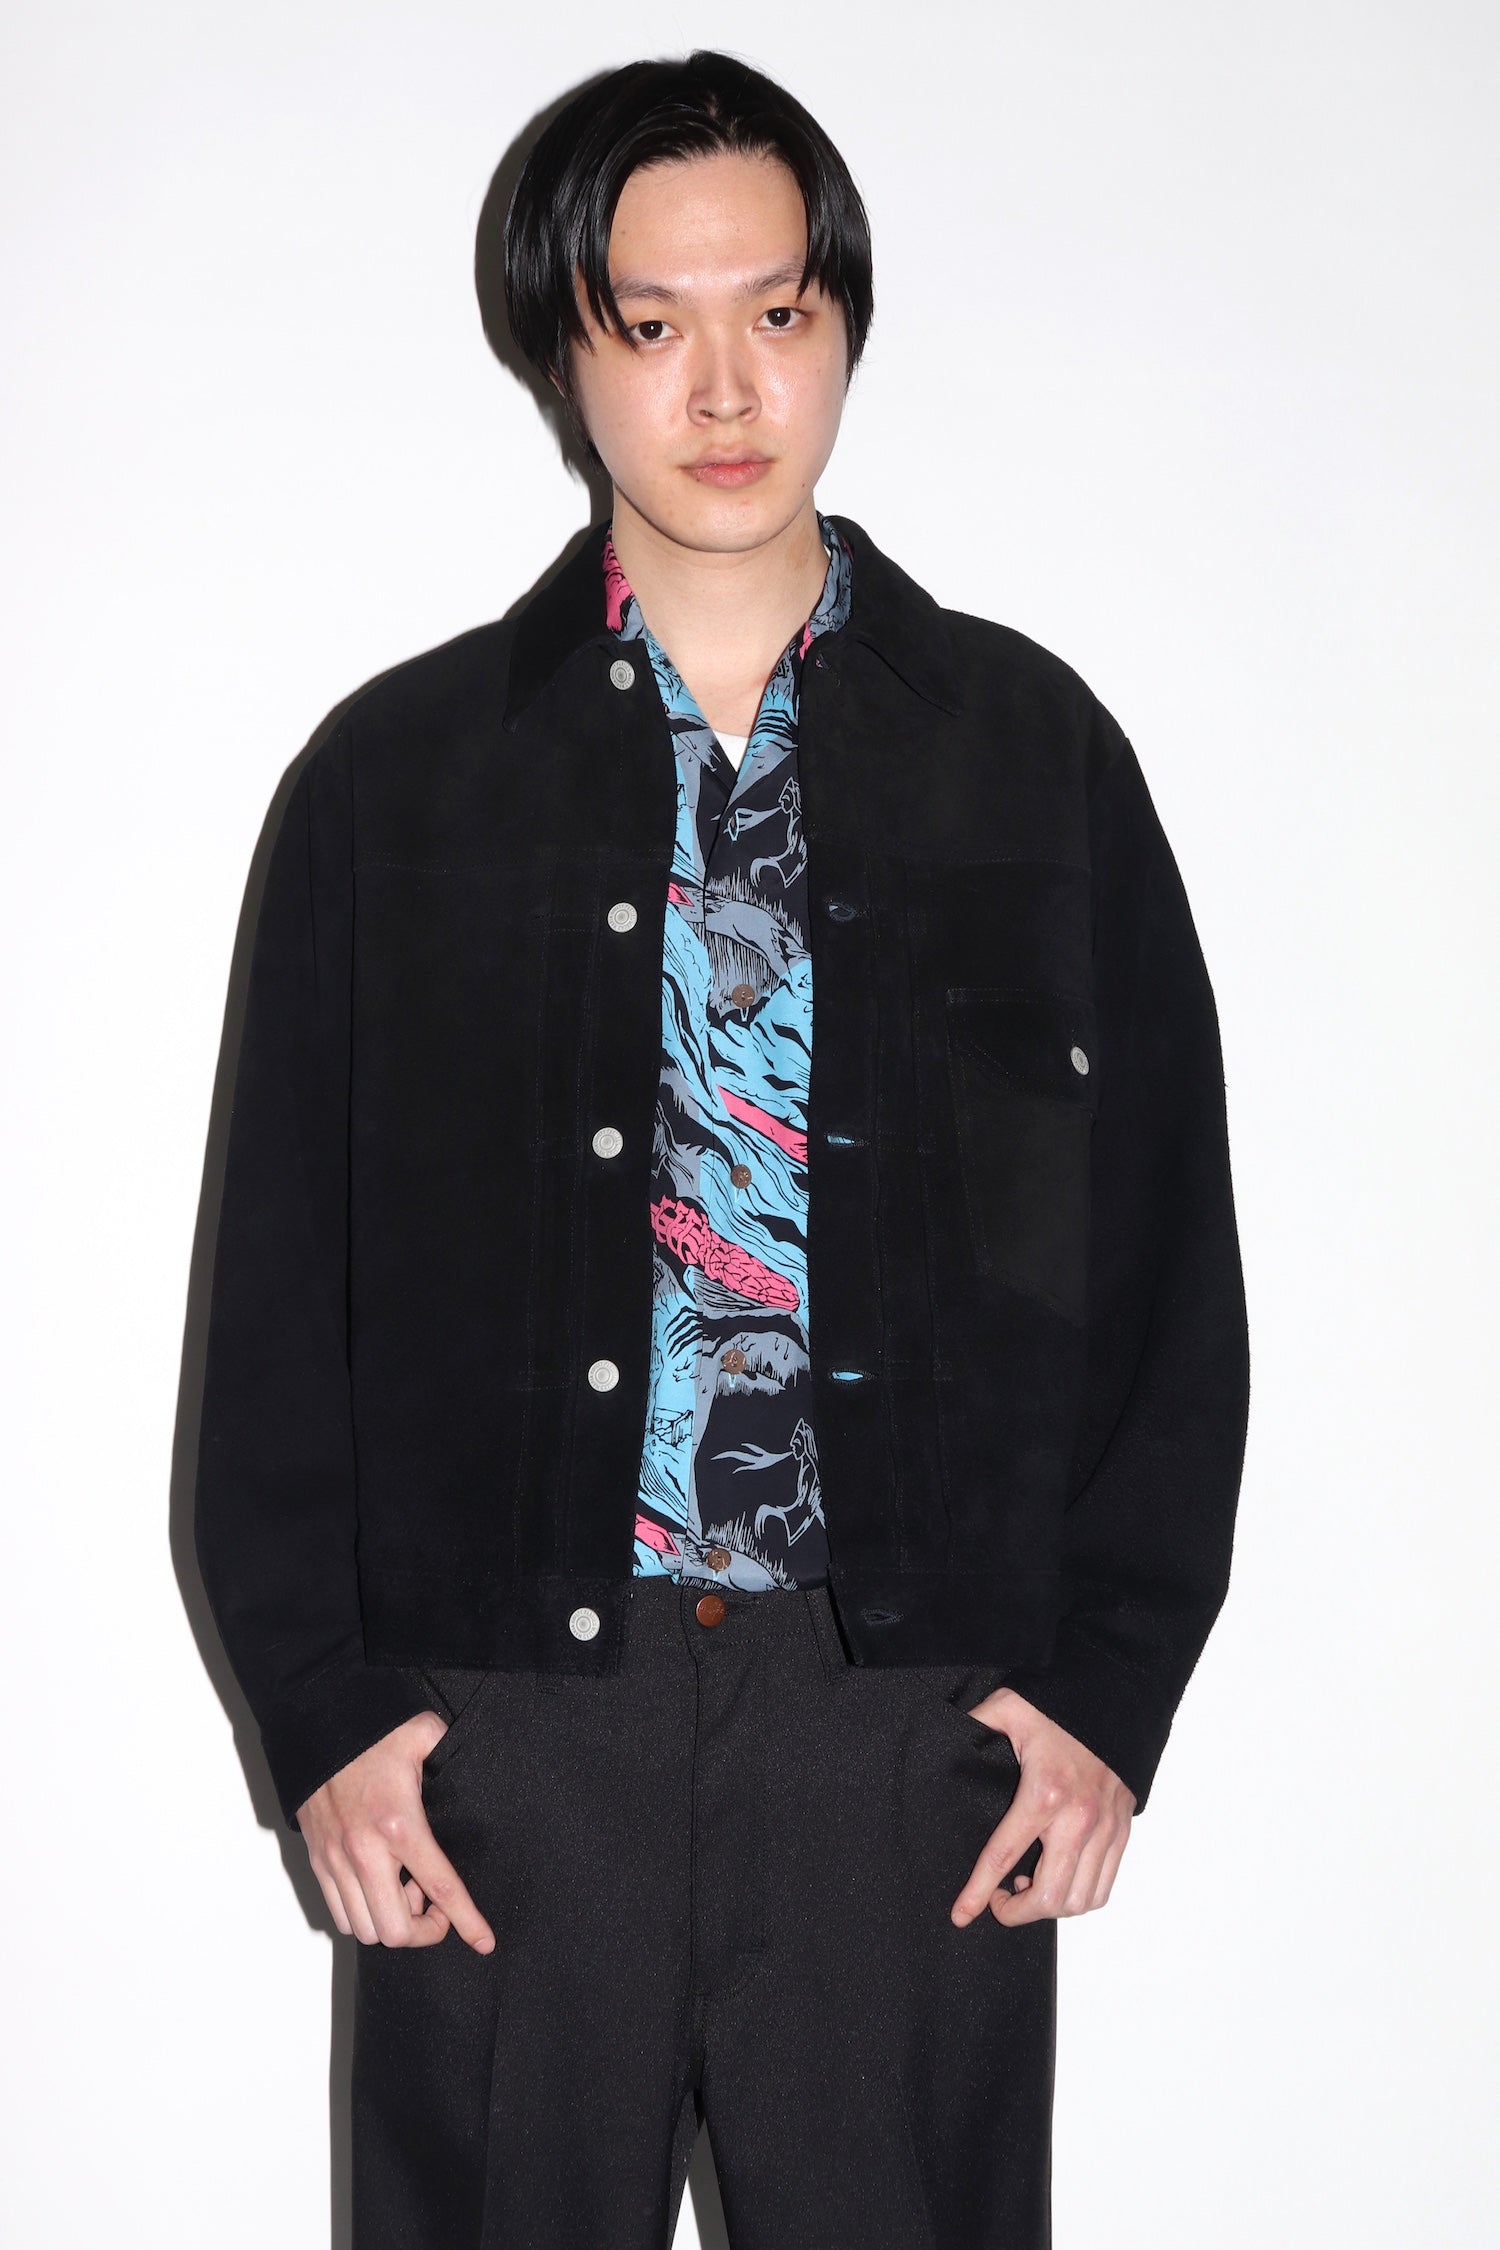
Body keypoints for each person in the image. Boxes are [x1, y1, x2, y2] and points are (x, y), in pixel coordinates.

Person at [194, 48, 1249, 2250]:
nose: (725, 387)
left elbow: (1168, 1258)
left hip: (905, 1725)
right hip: (502, 1731)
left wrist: (1107, 1688)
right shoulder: (398, 782)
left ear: (844, 322)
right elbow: (277, 1284)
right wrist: (327, 1710)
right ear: (564, 352)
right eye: (652, 323)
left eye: (777, 311)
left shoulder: (1031, 758)